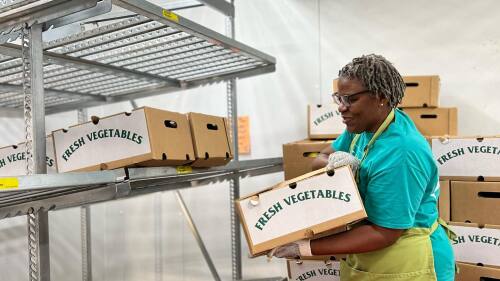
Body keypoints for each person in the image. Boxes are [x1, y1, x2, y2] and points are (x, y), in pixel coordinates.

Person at [272, 54, 455, 281]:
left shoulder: (401, 153)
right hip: (372, 254)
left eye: (350, 99)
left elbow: (385, 232)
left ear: (380, 97)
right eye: (338, 98)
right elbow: (320, 157)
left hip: (407, 260)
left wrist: (305, 248)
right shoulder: (363, 127)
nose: (341, 108)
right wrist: (335, 166)